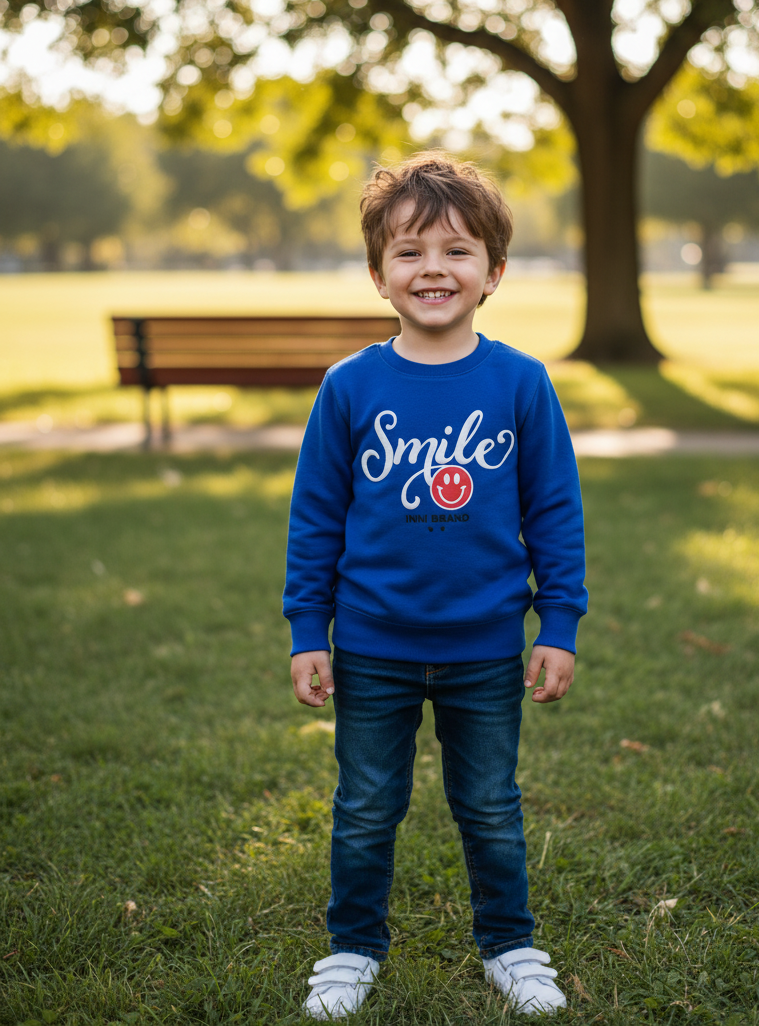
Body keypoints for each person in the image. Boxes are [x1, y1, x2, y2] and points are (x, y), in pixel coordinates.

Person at [283, 152, 588, 1018]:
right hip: (372, 644)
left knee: (489, 806)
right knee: (366, 806)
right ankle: (352, 947)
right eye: (410, 251)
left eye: (456, 252)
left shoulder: (519, 383)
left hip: (484, 646)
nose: (432, 269)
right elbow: (315, 521)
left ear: (493, 273)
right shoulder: (349, 388)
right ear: (377, 272)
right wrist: (310, 630)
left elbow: (554, 515)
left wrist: (557, 623)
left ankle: (510, 941)